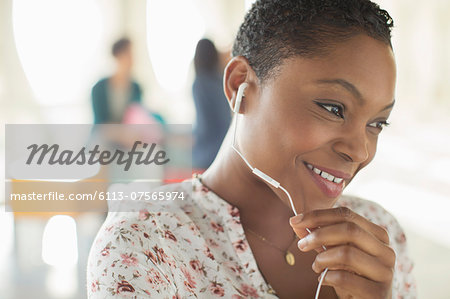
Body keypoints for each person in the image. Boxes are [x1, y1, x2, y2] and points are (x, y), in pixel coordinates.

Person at [86, 1, 417, 298]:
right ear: (239, 85)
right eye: (333, 108)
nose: (360, 150)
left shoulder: (378, 239)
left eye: (377, 124)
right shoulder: (146, 242)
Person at [192, 38, 232, 171]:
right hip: (223, 146)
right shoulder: (221, 81)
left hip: (207, 151)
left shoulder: (200, 83)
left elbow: (203, 123)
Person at [91, 37, 142, 124]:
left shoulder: (136, 88)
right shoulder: (98, 88)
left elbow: (137, 117)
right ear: (117, 56)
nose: (132, 60)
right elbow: (99, 123)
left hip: (128, 135)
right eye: (128, 54)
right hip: (105, 134)